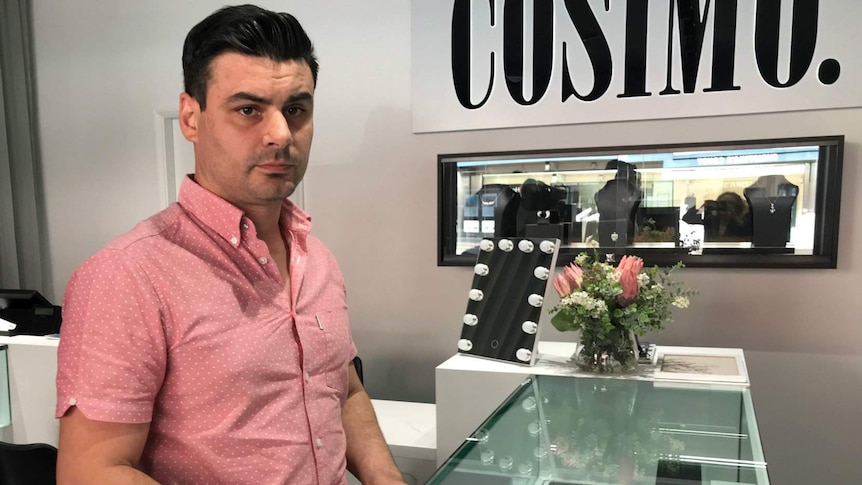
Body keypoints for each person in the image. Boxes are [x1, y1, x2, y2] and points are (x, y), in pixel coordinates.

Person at [55, 5, 406, 484]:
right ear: (190, 117)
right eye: (248, 110)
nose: (281, 134)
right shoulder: (126, 276)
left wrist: (388, 479)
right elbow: (91, 473)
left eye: (296, 110)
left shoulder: (317, 260)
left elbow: (342, 391)